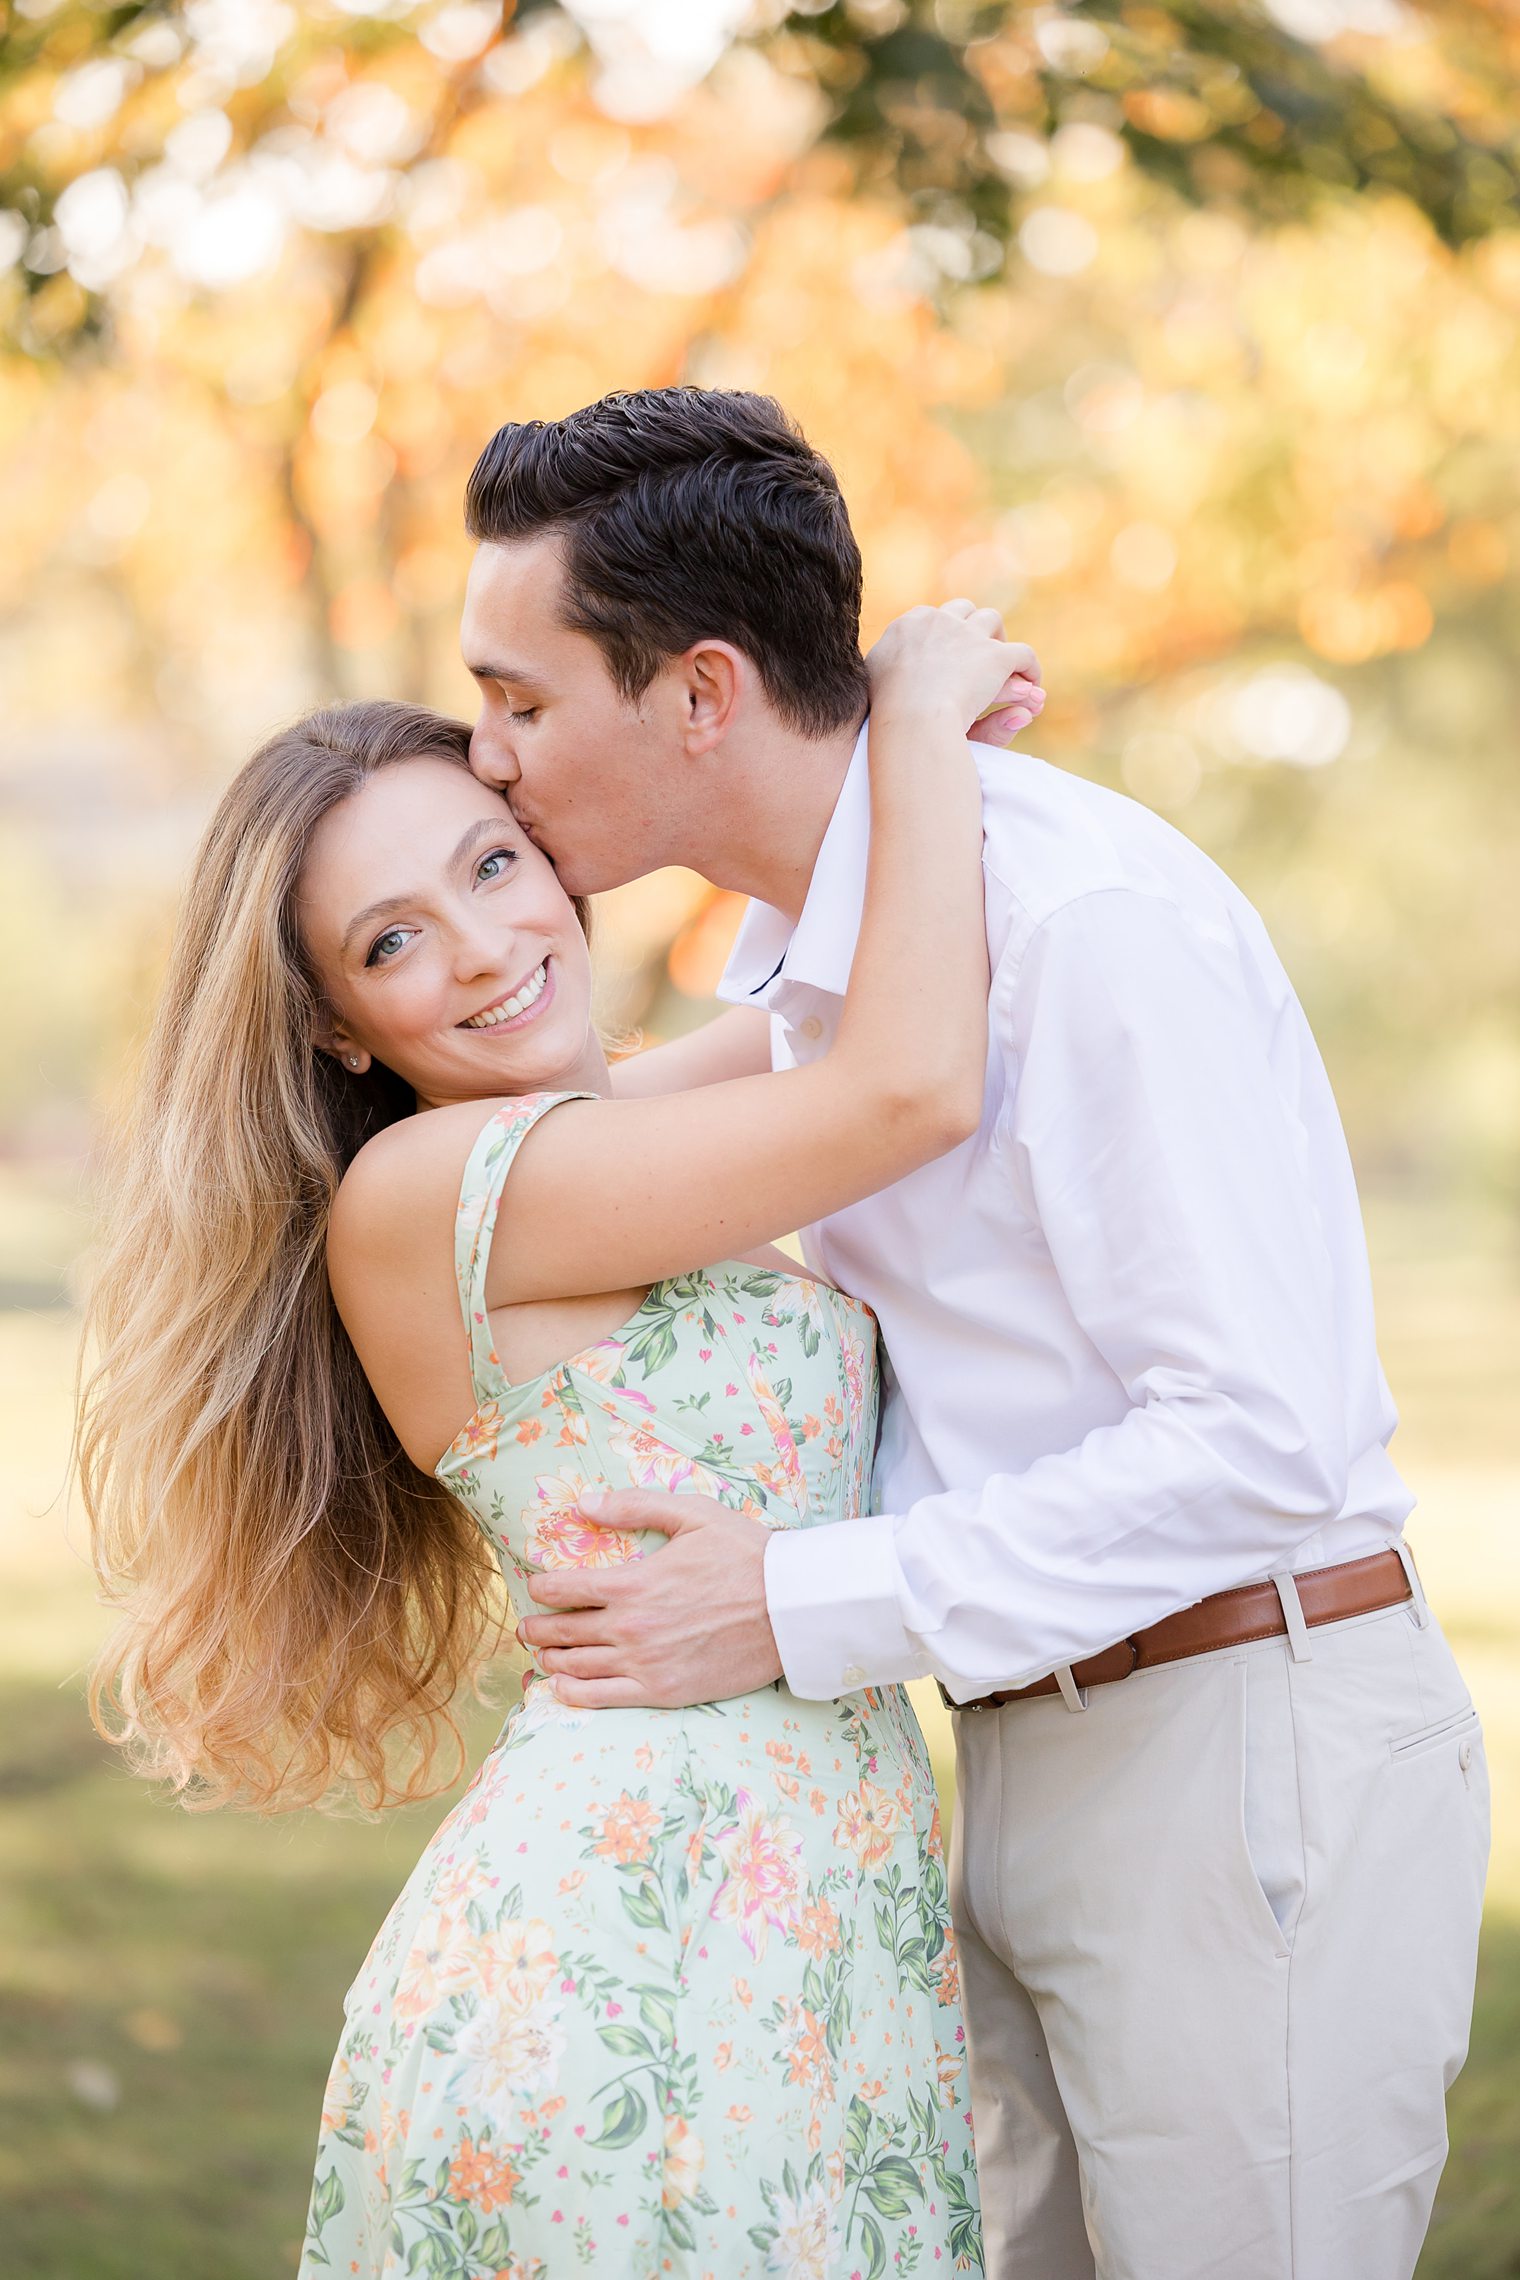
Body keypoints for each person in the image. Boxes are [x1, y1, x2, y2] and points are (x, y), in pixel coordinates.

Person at [459, 387, 1491, 2280]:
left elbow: (1255, 1441)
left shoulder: (1077, 919)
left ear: (698, 695)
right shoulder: (810, 968)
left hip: (1235, 1743)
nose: (490, 757)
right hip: (1022, 1747)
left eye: (522, 702)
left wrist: (787, 1603)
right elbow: (566, 1150)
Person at [79, 597, 1038, 2276]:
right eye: (388, 944)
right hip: (626, 1971)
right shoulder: (428, 1190)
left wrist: (843, 761)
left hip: (793, 1930)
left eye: (492, 865)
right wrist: (911, 722)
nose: (477, 946)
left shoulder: (584, 1131)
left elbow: (823, 1004)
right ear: (329, 1025)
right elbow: (901, 1084)